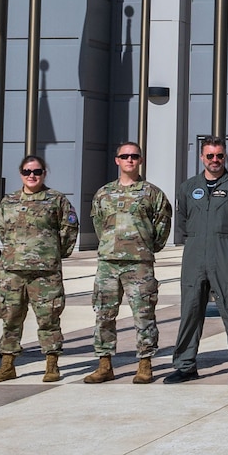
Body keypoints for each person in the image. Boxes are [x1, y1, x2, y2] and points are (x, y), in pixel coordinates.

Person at [165, 137, 228, 383]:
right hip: (194, 253)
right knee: (190, 310)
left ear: (224, 156)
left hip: (224, 253)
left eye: (219, 156)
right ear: (201, 157)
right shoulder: (188, 187)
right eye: (210, 156)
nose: (215, 160)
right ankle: (185, 365)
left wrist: (227, 240)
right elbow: (183, 221)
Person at [85, 142, 172, 384]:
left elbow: (162, 227)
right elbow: (99, 226)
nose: (130, 160)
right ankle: (104, 364)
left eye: (134, 156)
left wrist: (145, 247)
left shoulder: (152, 193)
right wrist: (111, 246)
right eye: (125, 156)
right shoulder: (103, 194)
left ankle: (145, 364)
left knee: (144, 315)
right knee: (104, 314)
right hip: (108, 264)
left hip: (140, 264)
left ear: (141, 160)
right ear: (117, 160)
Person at [0, 154, 79, 383]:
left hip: (45, 272)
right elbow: (1, 230)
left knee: (48, 318)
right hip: (12, 271)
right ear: (21, 174)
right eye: (27, 172)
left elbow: (69, 228)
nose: (32, 176)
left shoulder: (56, 200)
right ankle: (8, 364)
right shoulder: (8, 201)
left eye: (37, 171)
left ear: (44, 173)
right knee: (10, 318)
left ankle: (51, 364)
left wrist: (55, 254)